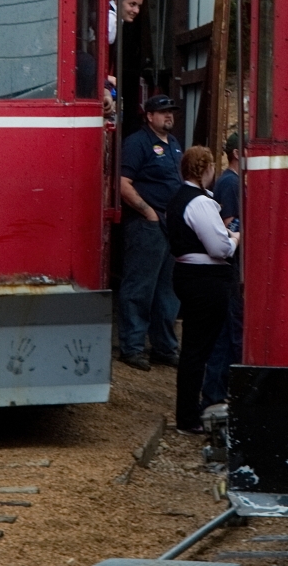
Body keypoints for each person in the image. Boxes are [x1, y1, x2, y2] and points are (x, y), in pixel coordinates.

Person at [165, 145, 238, 433]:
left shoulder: (177, 199)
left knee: (194, 349)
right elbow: (219, 247)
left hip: (187, 273)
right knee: (199, 350)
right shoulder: (200, 202)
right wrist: (236, 238)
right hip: (205, 279)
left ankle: (188, 414)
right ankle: (189, 417)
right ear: (205, 170)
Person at [117, 95, 184, 371]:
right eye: (163, 112)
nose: (169, 116)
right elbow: (122, 183)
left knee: (168, 291)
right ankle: (132, 347)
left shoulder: (175, 145)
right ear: (149, 116)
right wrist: (148, 212)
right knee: (140, 287)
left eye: (171, 112)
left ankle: (164, 347)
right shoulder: (137, 143)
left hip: (172, 226)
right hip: (147, 225)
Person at [200, 134, 245, 419]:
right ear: (238, 153)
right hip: (230, 270)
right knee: (228, 333)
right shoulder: (229, 183)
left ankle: (220, 392)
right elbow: (228, 226)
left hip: (233, 271)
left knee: (230, 333)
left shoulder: (234, 182)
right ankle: (214, 395)